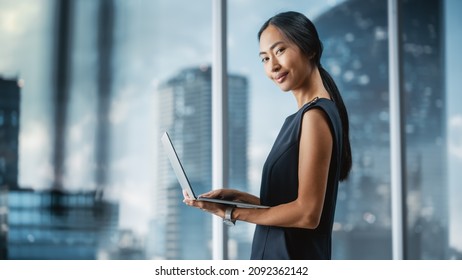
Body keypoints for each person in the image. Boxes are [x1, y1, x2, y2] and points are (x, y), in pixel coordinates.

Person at [183, 11, 352, 260]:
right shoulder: (303, 118)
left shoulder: (315, 117)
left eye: (280, 51)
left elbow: (307, 214)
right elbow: (291, 204)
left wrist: (233, 213)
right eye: (264, 58)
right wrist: (240, 199)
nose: (272, 66)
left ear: (310, 49)